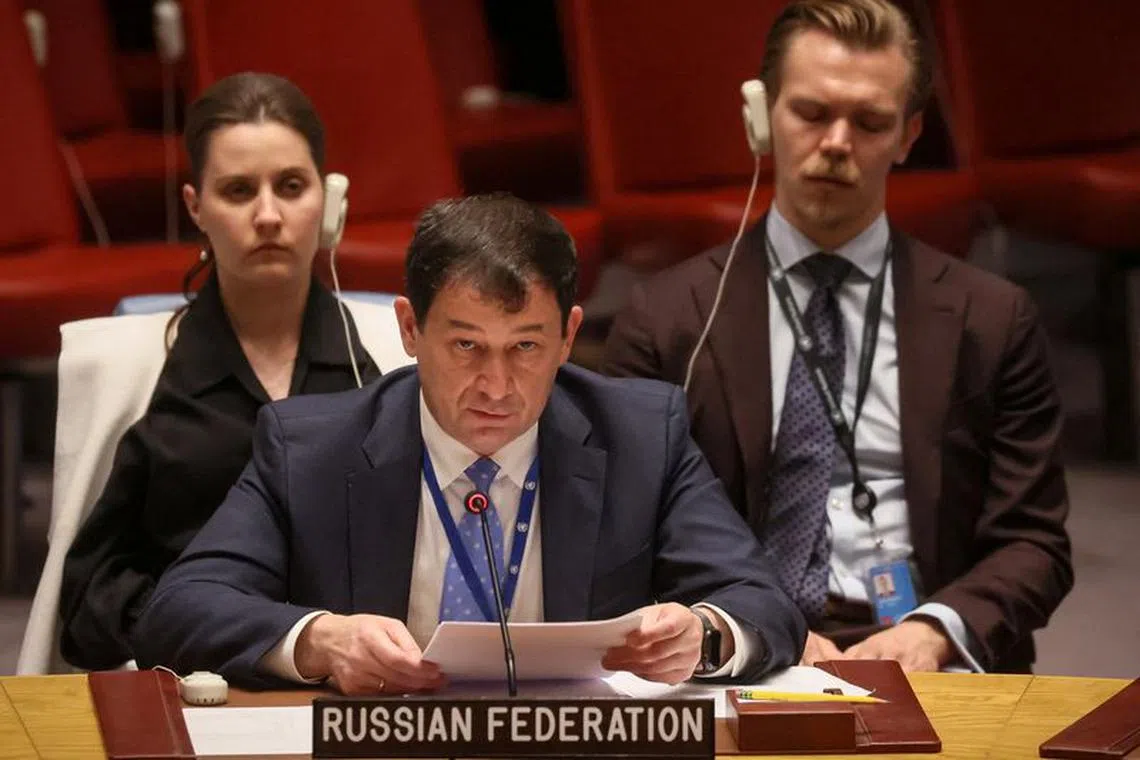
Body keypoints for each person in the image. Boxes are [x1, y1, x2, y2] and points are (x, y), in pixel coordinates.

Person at [131, 193, 806, 692]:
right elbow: (180, 608)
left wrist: (705, 634)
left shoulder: (640, 435)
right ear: (408, 329)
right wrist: (320, 642)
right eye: (465, 346)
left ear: (570, 336)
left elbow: (764, 601)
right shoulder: (311, 447)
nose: (496, 385)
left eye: (526, 347)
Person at [602, 0, 1071, 674]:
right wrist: (756, 627)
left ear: (909, 135)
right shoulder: (668, 319)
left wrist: (937, 631)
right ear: (761, 120)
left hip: (925, 646)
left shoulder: (992, 318)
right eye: (812, 114)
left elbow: (1035, 543)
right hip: (742, 648)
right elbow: (631, 529)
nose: (837, 144)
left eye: (871, 122)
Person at [59, 72, 381, 670]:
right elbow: (86, 605)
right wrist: (206, 632)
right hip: (183, 676)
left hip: (360, 680)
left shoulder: (389, 361)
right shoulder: (135, 373)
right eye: (237, 191)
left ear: (329, 202)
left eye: (290, 186)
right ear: (195, 208)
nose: (267, 215)